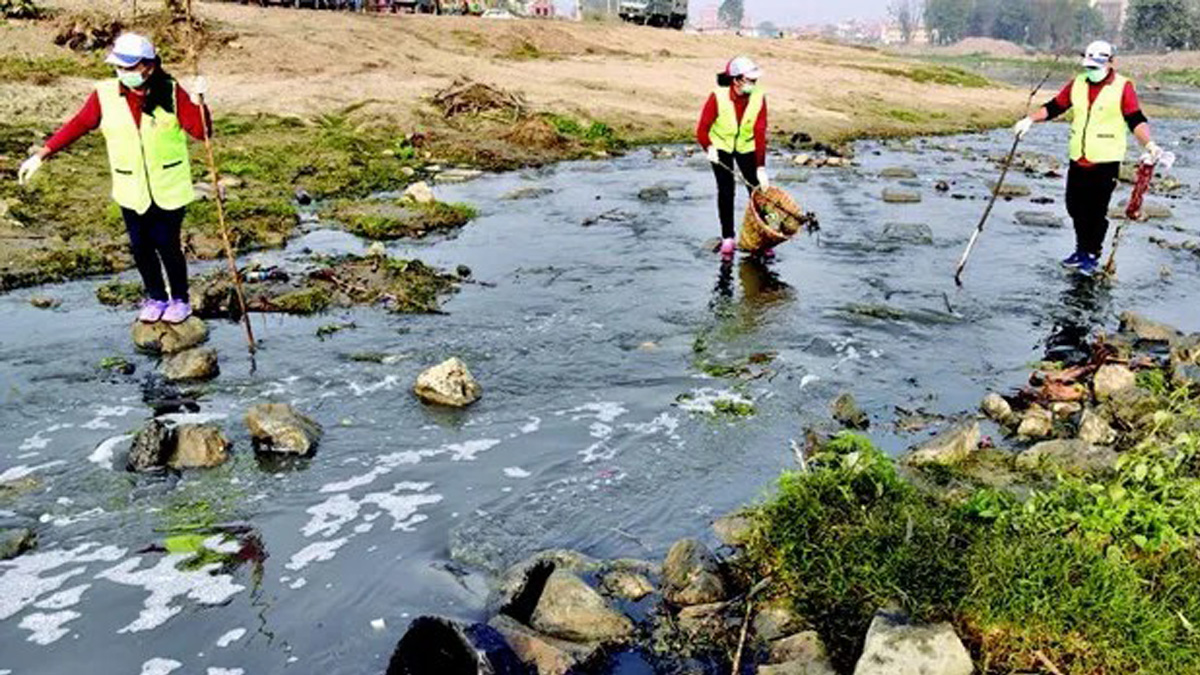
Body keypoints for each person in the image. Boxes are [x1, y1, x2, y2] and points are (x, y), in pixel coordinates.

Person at [17, 33, 211, 323]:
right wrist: (42, 154)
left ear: (148, 66)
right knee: (140, 244)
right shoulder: (105, 93)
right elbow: (80, 123)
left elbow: (201, 132)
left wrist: (199, 102)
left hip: (168, 185)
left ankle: (180, 299)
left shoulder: (171, 92)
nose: (123, 73)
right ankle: (156, 297)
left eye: (129, 67)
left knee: (166, 242)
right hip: (130, 185)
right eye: (119, 67)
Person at [1012, 40, 1162, 276]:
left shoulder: (1123, 86)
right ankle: (1081, 251)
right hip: (1078, 156)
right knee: (1074, 207)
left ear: (1111, 62)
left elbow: (1135, 119)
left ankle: (1091, 254)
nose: (1090, 71)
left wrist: (1149, 144)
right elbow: (1055, 107)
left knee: (1095, 211)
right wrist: (1029, 120)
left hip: (1106, 160)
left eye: (1095, 67)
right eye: (1088, 66)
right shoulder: (1078, 83)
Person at [697, 56, 770, 262]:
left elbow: (760, 131)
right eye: (750, 80)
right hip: (720, 147)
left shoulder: (758, 97)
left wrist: (761, 167)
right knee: (726, 190)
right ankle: (728, 237)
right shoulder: (717, 96)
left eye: (755, 80)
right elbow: (702, 129)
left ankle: (763, 239)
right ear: (737, 80)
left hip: (746, 146)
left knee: (757, 193)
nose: (754, 84)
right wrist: (709, 147)